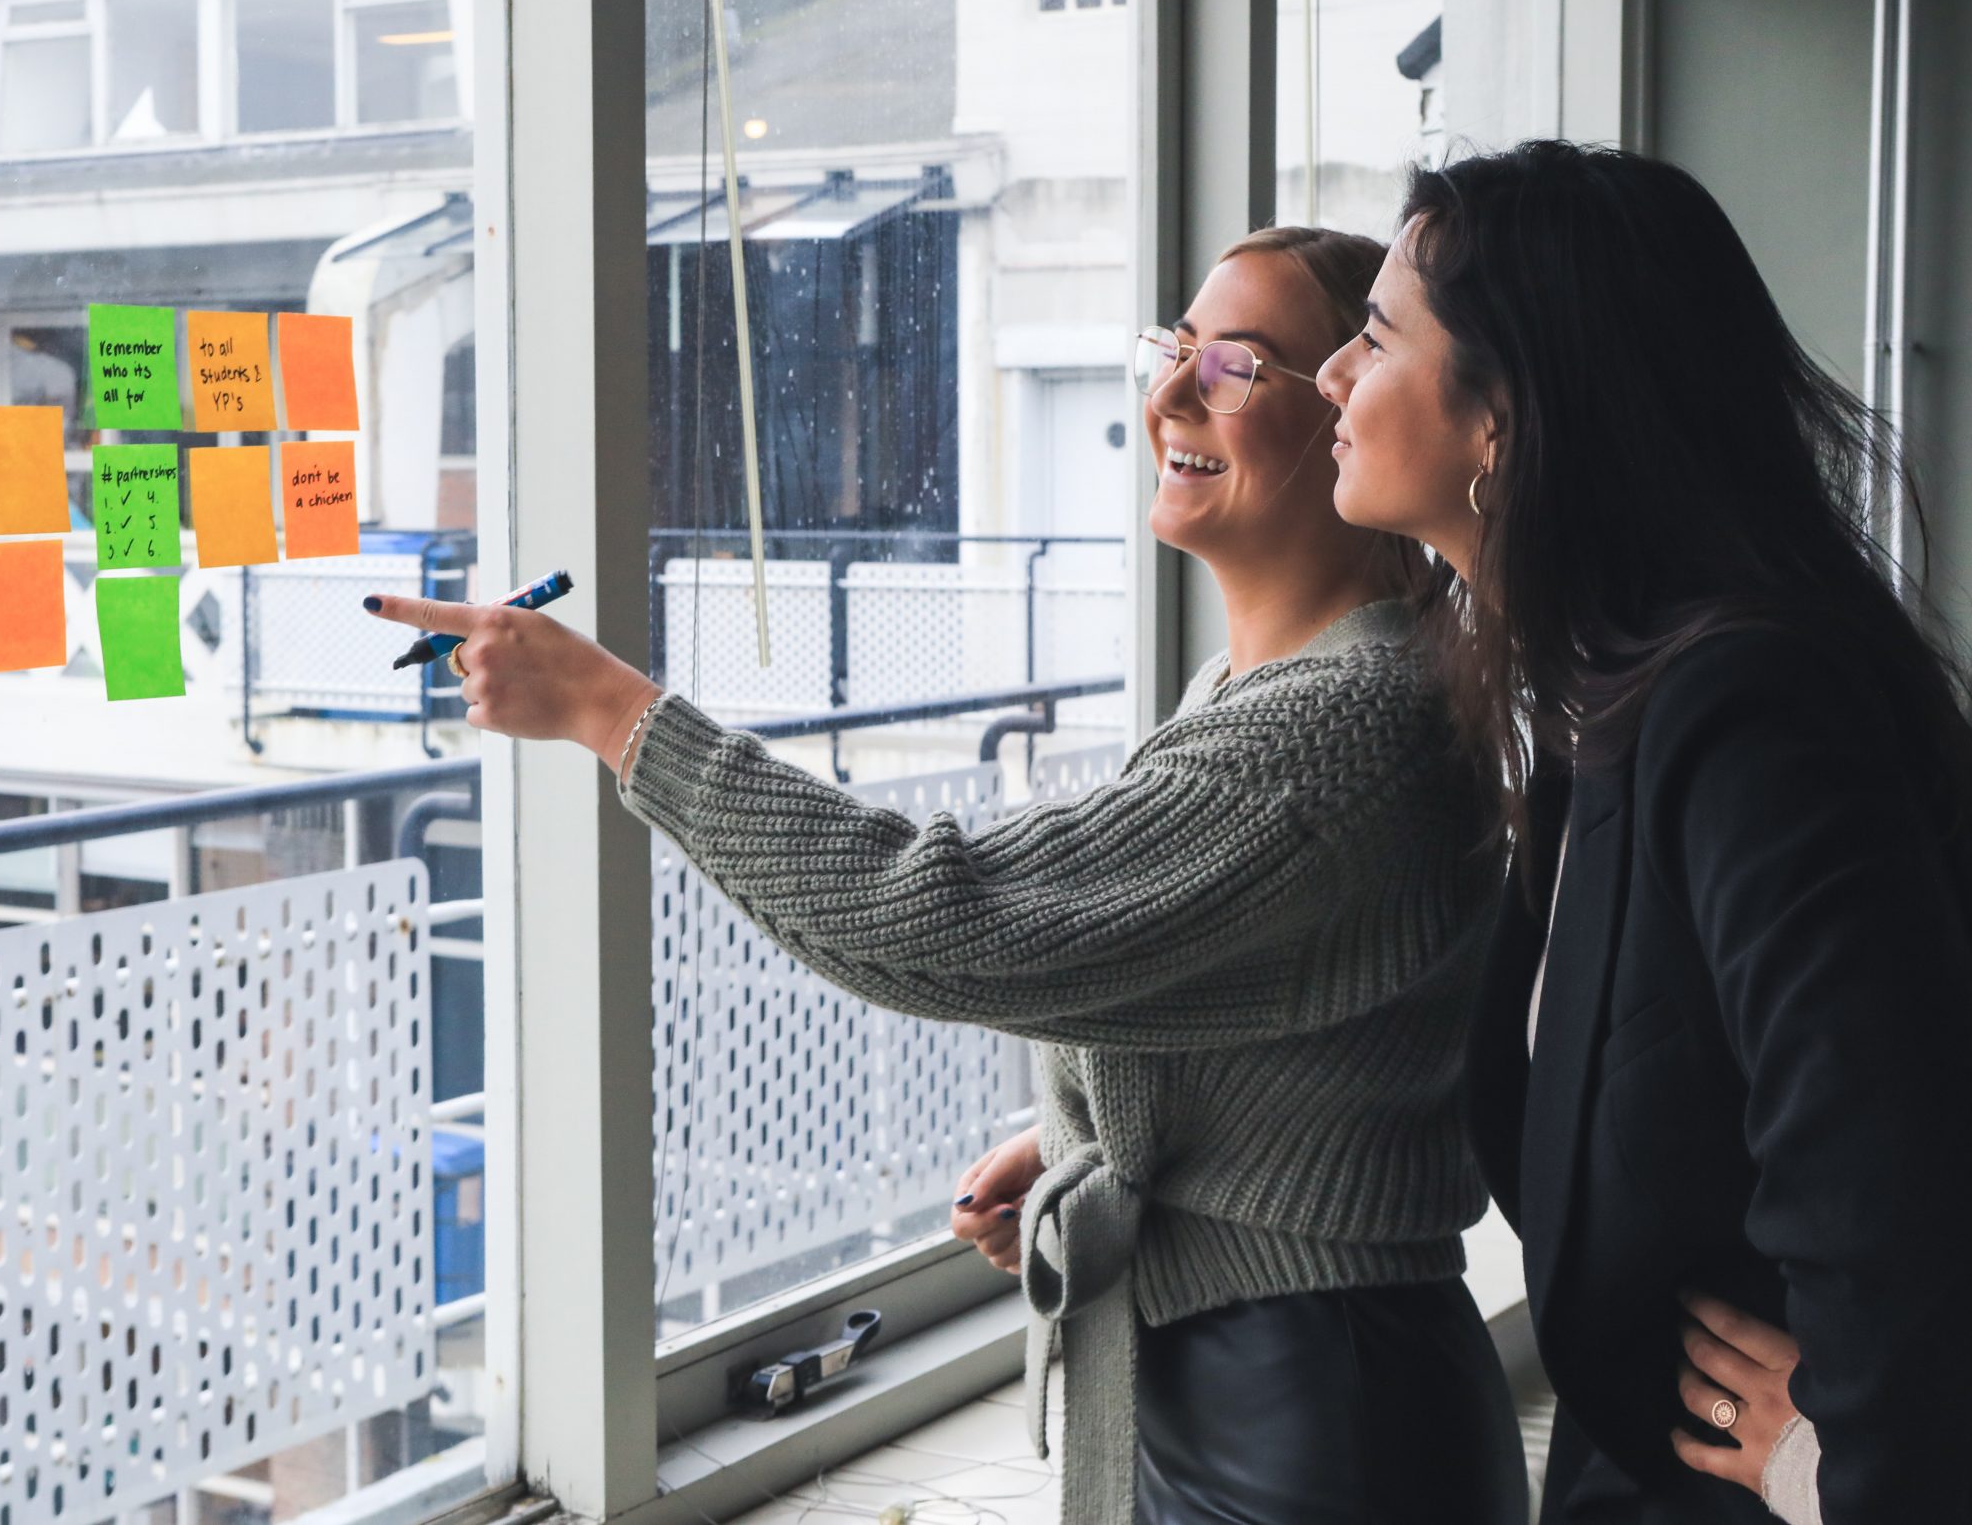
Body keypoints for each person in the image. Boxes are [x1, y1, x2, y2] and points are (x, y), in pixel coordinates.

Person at [369, 227, 1527, 1523]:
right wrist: (1097, 1134)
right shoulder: (1309, 682)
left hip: (1318, 1426)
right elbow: (1316, 1022)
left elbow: (941, 916)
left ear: (1350, 409)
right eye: (1174, 350)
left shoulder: (1342, 726)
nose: (1167, 396)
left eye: (1238, 367)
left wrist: (617, 714)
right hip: (1282, 1377)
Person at [1313, 139, 1972, 1523]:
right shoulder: (1597, 705)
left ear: (1502, 414)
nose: (1332, 375)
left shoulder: (1746, 716)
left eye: (1373, 339)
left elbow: (1893, 1187)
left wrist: (1838, 1467)